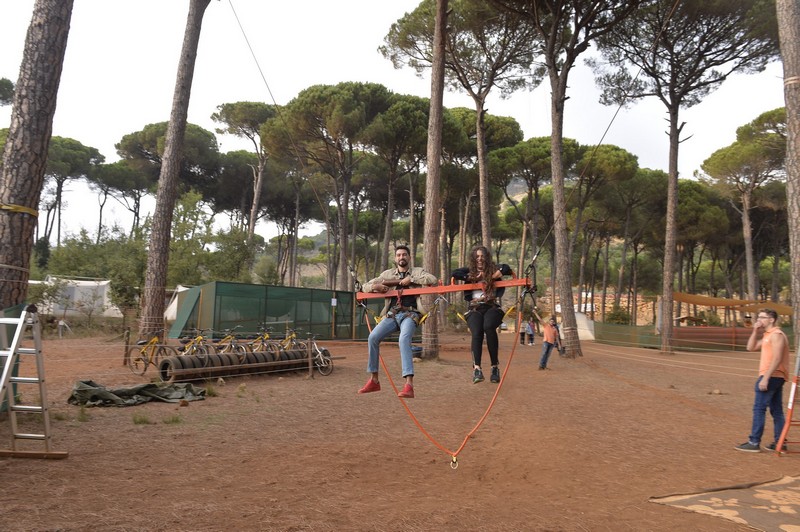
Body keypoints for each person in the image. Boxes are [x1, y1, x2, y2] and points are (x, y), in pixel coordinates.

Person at [357, 245, 437, 399]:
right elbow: (365, 286)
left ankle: (409, 385)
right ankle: (374, 380)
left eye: (404, 255)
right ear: (395, 259)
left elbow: (432, 279)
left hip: (410, 313)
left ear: (409, 257)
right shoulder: (387, 274)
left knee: (404, 338)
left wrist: (412, 279)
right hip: (392, 314)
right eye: (399, 255)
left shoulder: (417, 271)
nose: (402, 257)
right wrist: (376, 286)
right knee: (373, 337)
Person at [451, 245, 513, 384]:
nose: (480, 259)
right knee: (477, 331)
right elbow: (455, 273)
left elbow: (506, 268)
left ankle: (494, 367)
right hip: (475, 308)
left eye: (482, 256)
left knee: (489, 326)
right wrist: (470, 277)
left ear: (486, 257)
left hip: (491, 306)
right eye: (477, 256)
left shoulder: (493, 269)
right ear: (473, 258)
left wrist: (492, 276)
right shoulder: (469, 271)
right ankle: (477, 368)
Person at [735, 308, 791, 452]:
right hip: (774, 376)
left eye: (762, 317)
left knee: (759, 409)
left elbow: (777, 358)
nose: (759, 319)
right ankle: (780, 442)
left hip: (771, 376)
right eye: (758, 317)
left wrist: (765, 378)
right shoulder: (768, 335)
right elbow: (750, 347)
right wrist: (755, 331)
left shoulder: (777, 335)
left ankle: (754, 442)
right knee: (776, 410)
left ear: (771, 320)